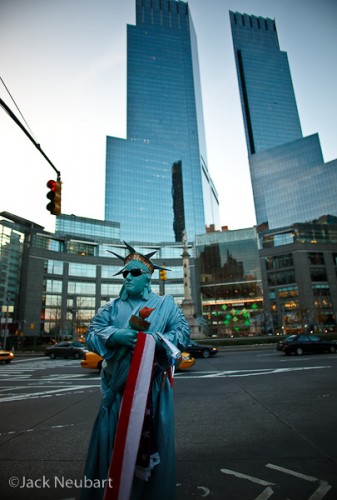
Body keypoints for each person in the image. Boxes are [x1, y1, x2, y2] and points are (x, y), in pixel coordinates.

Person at [81, 242, 191, 500]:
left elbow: (183, 333)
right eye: (125, 273)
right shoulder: (110, 308)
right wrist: (115, 335)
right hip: (116, 392)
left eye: (134, 273)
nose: (128, 277)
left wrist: (154, 340)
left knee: (153, 446)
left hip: (152, 389)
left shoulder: (166, 305)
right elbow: (91, 334)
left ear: (148, 278)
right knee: (114, 446)